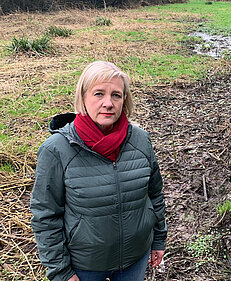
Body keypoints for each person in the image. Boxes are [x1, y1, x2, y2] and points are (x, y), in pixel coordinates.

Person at [30, 61, 167, 281]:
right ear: (83, 98)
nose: (108, 103)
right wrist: (61, 271)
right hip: (85, 266)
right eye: (99, 93)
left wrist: (158, 239)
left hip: (135, 259)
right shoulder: (56, 150)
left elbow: (155, 195)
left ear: (125, 101)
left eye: (116, 95)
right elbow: (45, 215)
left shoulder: (141, 141)